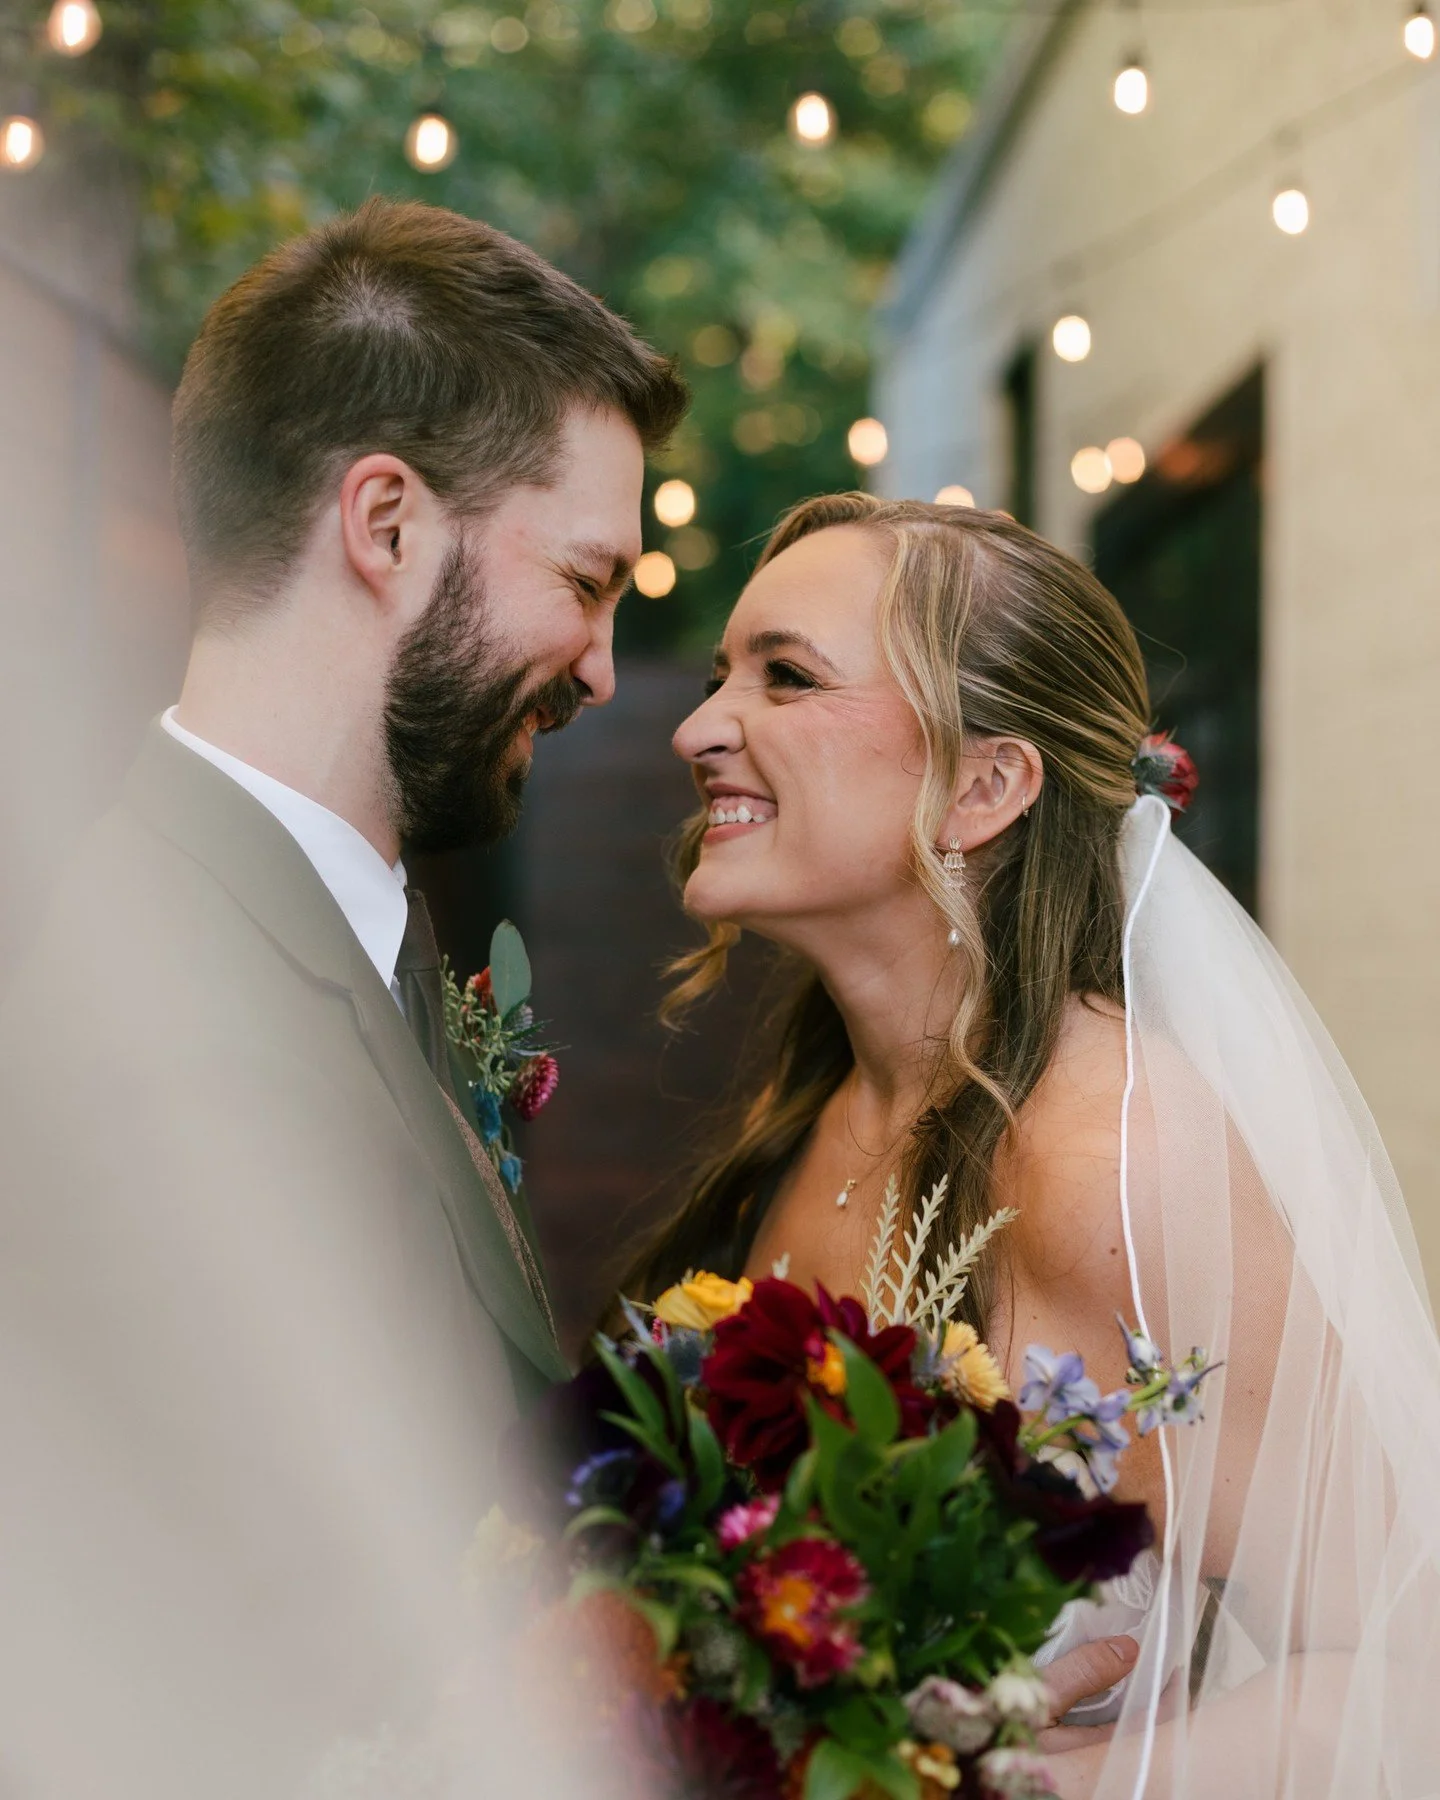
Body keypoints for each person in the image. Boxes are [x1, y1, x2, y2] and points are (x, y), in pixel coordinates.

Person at [0, 198, 686, 1799]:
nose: (602, 665)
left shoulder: (330, 933)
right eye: (586, 579)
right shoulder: (166, 1033)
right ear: (384, 524)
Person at [628, 492, 1440, 1797]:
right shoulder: (823, 1109)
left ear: (985, 785)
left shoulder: (1117, 1157)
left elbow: (1401, 1666)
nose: (697, 727)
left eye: (785, 677)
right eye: (724, 672)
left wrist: (1053, 1786)